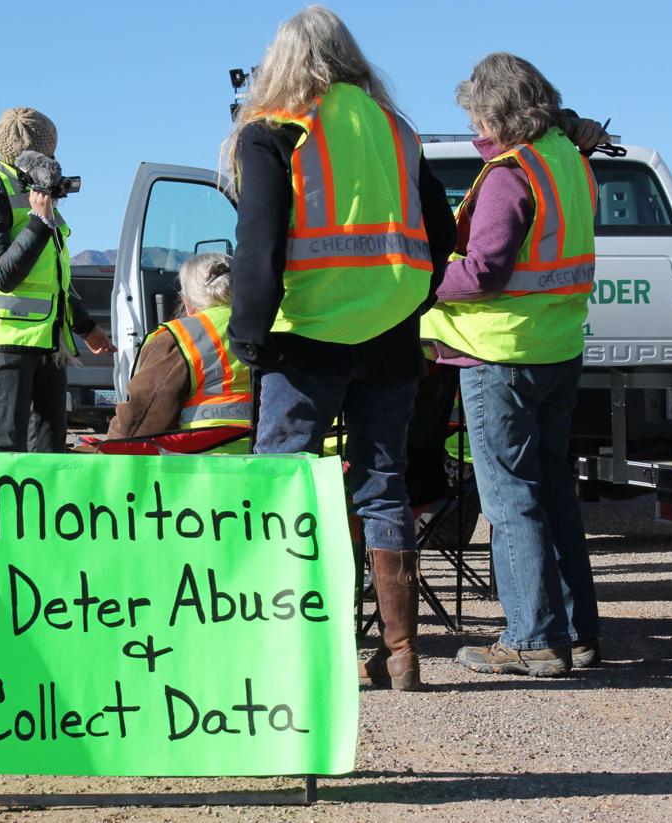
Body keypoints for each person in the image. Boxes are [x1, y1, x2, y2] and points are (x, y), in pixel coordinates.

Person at [224, 6, 457, 692]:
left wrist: (248, 332)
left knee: (281, 483)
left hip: (305, 342)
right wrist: (413, 295)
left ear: (282, 64)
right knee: (383, 483)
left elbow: (259, 244)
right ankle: (402, 650)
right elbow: (441, 230)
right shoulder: (395, 130)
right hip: (389, 336)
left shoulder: (271, 131)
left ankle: (279, 647)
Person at [421, 53, 602, 677]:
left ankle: (532, 640)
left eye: (474, 113)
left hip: (498, 354)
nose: (472, 125)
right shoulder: (568, 161)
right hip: (557, 348)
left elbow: (485, 271)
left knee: (509, 500)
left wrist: (420, 279)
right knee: (553, 493)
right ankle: (576, 633)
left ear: (494, 110)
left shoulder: (508, 174)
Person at [0, 107, 114, 453]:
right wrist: (39, 220)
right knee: (6, 450)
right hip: (5, 342)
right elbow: (1, 274)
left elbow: (53, 281)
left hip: (47, 344)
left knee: (50, 451)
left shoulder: (31, 190)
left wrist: (86, 328)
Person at [107, 253, 250, 447]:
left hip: (205, 463)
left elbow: (138, 422)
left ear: (188, 300)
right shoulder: (275, 325)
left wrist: (108, 453)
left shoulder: (179, 337)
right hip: (280, 463)